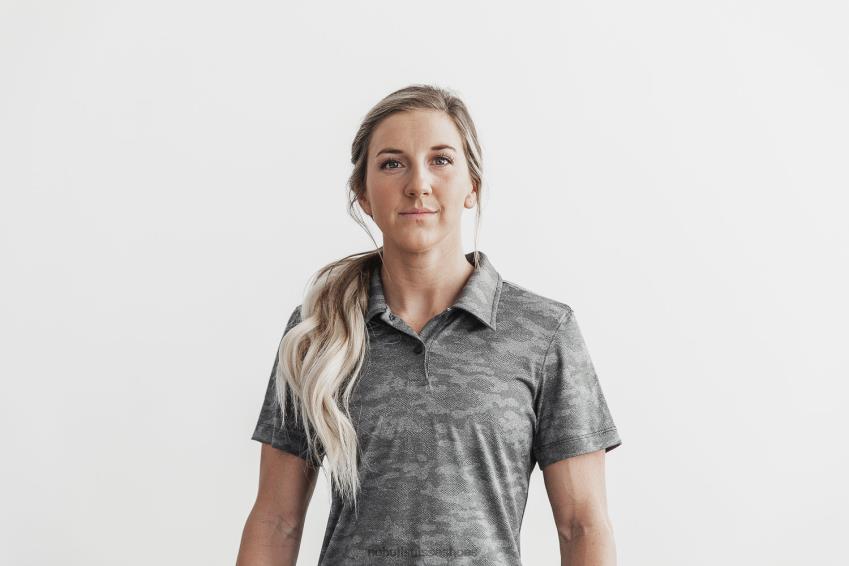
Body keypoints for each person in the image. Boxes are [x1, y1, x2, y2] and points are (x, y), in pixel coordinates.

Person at [236, 84, 623, 566]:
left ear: (472, 186)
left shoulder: (543, 332)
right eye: (392, 163)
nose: (418, 183)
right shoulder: (318, 331)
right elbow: (277, 520)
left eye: (441, 160)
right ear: (363, 194)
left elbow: (582, 525)